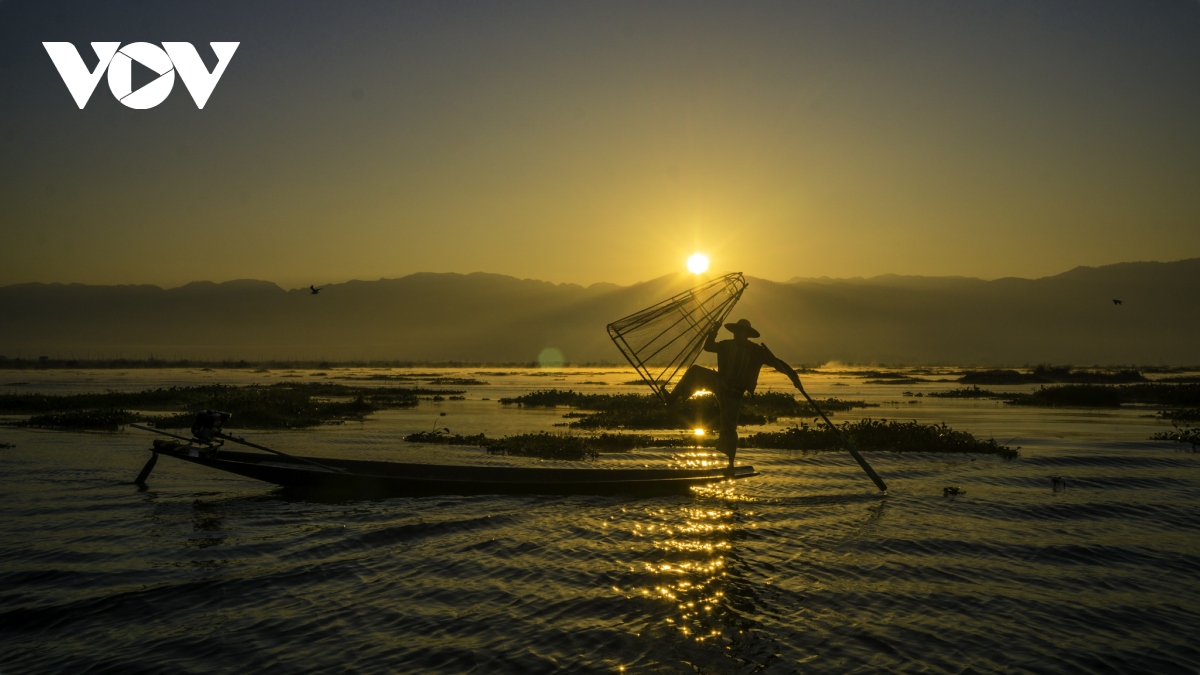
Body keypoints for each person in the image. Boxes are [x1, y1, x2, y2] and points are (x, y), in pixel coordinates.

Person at [664, 318, 803, 467]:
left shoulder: (756, 351)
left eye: (741, 332)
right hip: (719, 383)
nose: (737, 334)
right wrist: (714, 330)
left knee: (730, 429)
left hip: (734, 395)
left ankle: (730, 465)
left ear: (746, 334)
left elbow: (777, 363)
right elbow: (708, 346)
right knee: (695, 372)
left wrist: (794, 378)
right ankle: (674, 398)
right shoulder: (726, 345)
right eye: (736, 331)